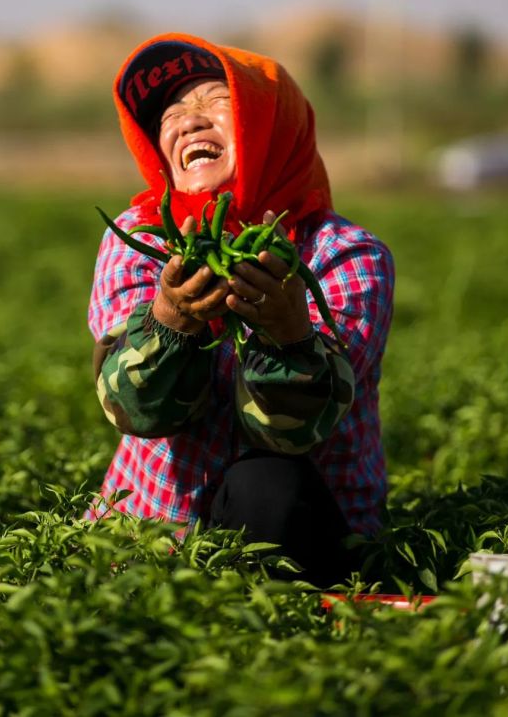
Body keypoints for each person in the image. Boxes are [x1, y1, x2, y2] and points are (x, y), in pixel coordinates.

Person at [87, 32, 394, 586]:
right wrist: (171, 318)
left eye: (216, 100)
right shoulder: (140, 240)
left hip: (306, 537)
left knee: (269, 480)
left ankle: (277, 617)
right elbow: (138, 411)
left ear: (273, 125)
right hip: (155, 533)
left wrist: (288, 333)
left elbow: (289, 434)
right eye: (171, 114)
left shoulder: (345, 255)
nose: (189, 120)